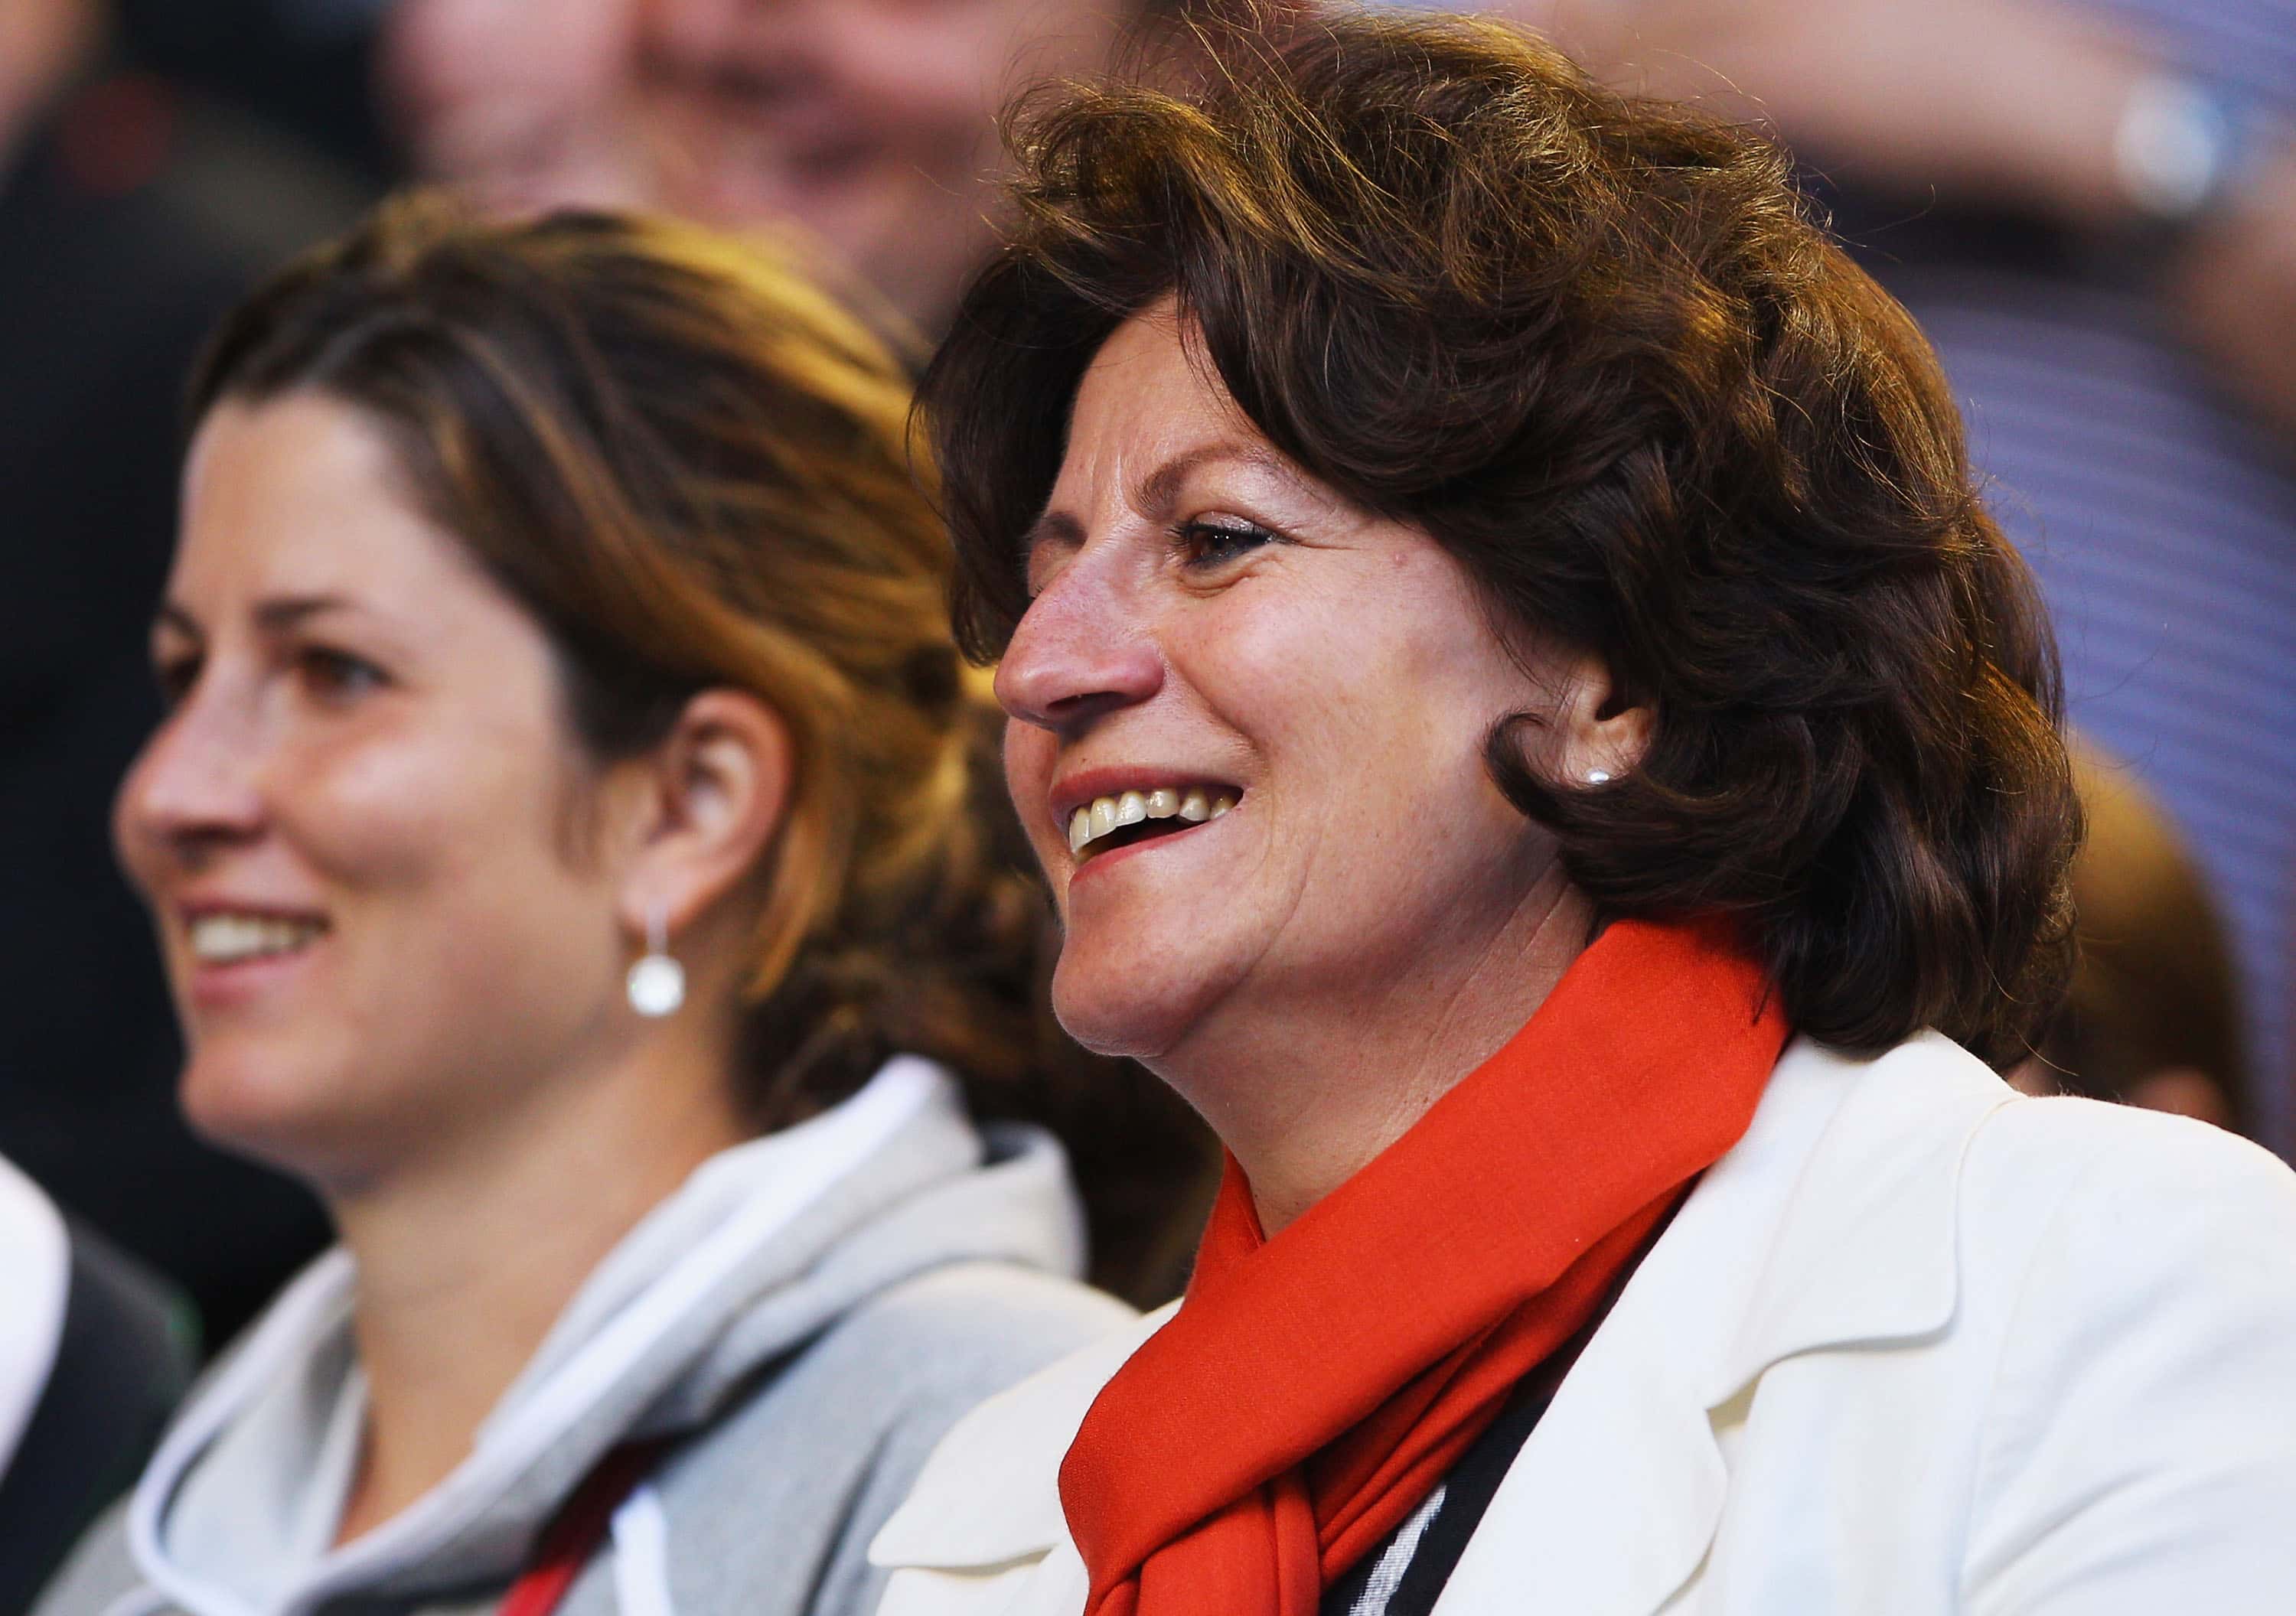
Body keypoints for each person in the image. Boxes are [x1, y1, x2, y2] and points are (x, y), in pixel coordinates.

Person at [868, 15, 2296, 1615]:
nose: (1039, 667)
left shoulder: (2105, 1292)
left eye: (1214, 539)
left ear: (1610, 680)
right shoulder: (989, 1521)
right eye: (1047, 574)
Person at [34, 194, 1134, 1616]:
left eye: (331, 674)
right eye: (186, 675)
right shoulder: (139, 1562)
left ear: (688, 807)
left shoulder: (1009, 1469)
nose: (171, 795)